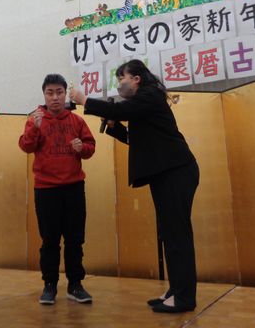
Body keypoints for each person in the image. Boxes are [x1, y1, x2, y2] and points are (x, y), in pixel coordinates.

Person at [70, 59, 199, 313]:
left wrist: (84, 100)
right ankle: (176, 290)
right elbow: (135, 139)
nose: (120, 83)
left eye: (122, 78)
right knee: (170, 234)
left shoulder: (150, 95)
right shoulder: (144, 104)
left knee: (177, 235)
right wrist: (114, 126)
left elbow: (122, 110)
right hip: (166, 173)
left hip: (176, 172)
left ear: (136, 78)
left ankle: (184, 297)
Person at [18, 74, 96, 305]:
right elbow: (25, 146)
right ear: (44, 95)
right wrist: (35, 128)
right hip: (46, 189)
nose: (55, 97)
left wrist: (82, 148)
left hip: (74, 187)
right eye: (50, 93)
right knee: (50, 241)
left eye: (59, 92)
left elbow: (90, 147)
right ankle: (49, 285)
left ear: (65, 94)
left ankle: (75, 285)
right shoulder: (35, 119)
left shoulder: (76, 120)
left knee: (75, 239)